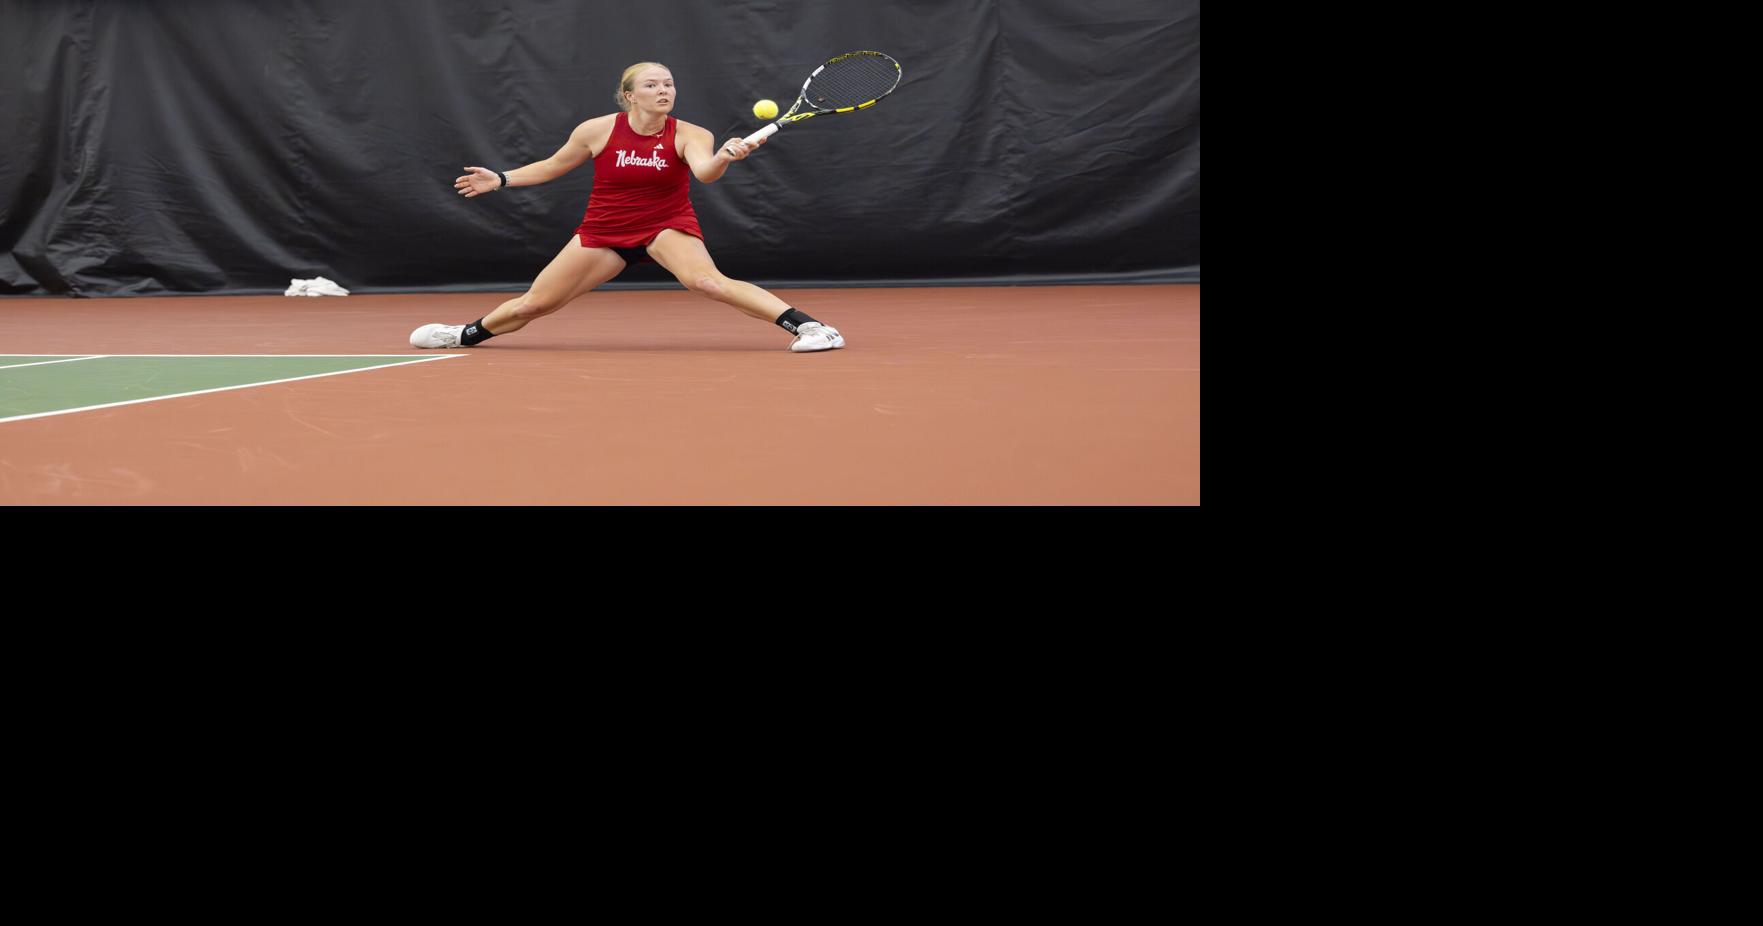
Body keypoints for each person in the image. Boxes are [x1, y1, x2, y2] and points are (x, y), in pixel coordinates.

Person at [410, 62, 844, 353]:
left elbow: (705, 173)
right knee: (533, 305)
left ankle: (810, 327)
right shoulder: (597, 130)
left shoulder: (691, 133)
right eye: (651, 85)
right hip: (603, 230)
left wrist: (726, 157)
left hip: (665, 225)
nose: (663, 91)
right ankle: (462, 335)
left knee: (706, 282)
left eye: (668, 84)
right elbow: (552, 166)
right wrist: (501, 178)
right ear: (629, 95)